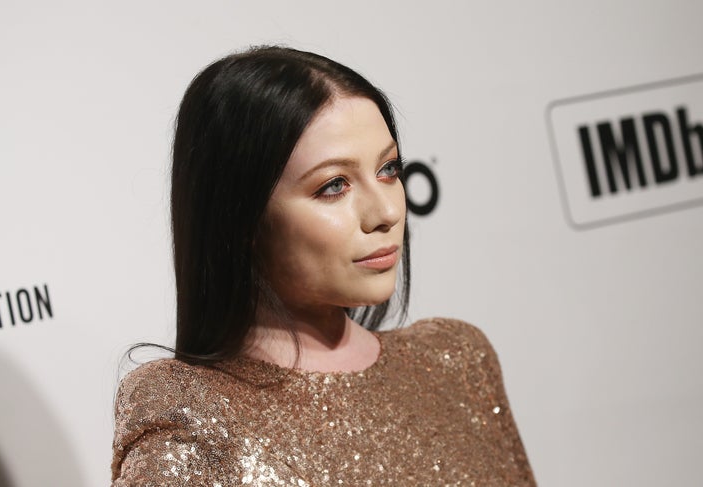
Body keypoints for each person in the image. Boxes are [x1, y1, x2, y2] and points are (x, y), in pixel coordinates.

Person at [110, 45, 535, 486]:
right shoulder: (192, 420)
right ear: (242, 218)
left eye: (388, 169)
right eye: (334, 185)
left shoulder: (456, 360)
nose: (385, 212)